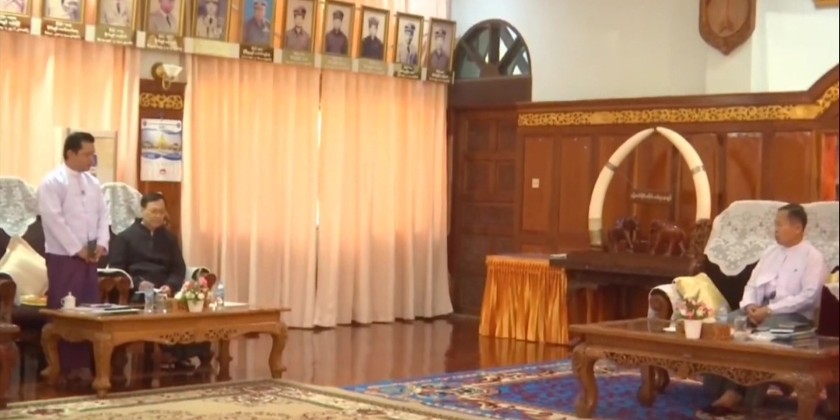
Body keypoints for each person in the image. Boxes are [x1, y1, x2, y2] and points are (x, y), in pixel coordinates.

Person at [697, 203, 828, 418]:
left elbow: (809, 297)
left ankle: (739, 396)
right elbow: (751, 285)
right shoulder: (769, 253)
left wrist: (769, 311)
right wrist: (750, 305)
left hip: (795, 319)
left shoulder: (812, 257)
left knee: (759, 336)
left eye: (779, 225)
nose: (774, 229)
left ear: (797, 228)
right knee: (725, 326)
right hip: (757, 312)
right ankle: (718, 390)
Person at [38, 132, 110, 383]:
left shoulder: (93, 183)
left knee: (89, 308)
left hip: (90, 257)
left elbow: (103, 215)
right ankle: (62, 367)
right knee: (66, 311)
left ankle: (83, 365)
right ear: (70, 153)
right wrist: (77, 249)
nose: (92, 159)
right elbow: (53, 220)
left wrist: (101, 244)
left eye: (93, 154)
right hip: (64, 257)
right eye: (87, 154)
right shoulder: (52, 182)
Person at [108, 193, 209, 368]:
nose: (158, 216)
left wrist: (170, 286)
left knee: (189, 308)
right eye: (154, 211)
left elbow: (178, 268)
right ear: (142, 211)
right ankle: (170, 354)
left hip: (165, 290)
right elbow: (117, 269)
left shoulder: (169, 238)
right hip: (137, 292)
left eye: (161, 212)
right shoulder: (125, 237)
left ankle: (181, 354)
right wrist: (137, 283)